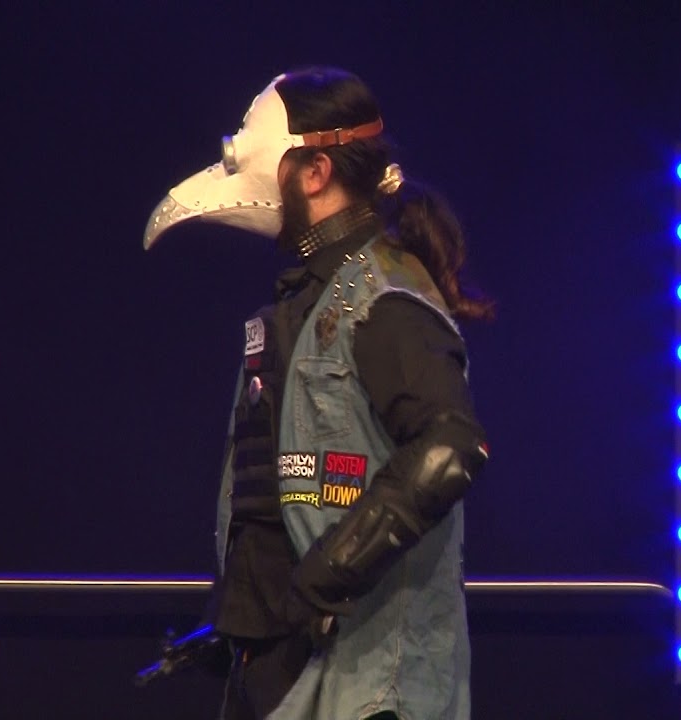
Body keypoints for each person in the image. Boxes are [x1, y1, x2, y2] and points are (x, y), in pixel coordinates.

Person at [144, 67, 492, 720]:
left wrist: (326, 576)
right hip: (279, 670)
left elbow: (451, 445)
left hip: (361, 684)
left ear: (315, 172)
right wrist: (238, 623)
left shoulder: (385, 299)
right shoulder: (307, 304)